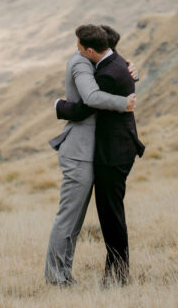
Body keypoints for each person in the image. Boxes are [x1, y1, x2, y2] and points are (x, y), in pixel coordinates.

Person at [45, 25, 136, 287]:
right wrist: (124, 103)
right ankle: (56, 277)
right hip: (79, 152)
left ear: (91, 48)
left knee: (76, 219)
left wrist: (131, 70)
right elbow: (91, 98)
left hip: (90, 151)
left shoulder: (93, 62)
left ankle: (64, 275)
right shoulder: (81, 64)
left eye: (79, 45)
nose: (76, 49)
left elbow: (111, 73)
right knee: (69, 217)